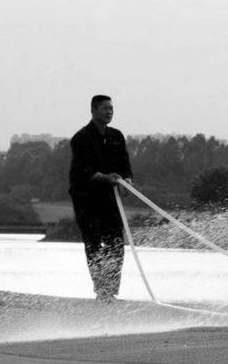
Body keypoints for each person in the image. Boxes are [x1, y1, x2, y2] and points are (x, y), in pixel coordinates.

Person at [69, 95, 133, 303]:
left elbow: (124, 164)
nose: (109, 112)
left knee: (115, 242)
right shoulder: (81, 138)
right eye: (105, 109)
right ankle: (101, 290)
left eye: (112, 109)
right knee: (94, 243)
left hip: (109, 198)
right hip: (86, 197)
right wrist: (107, 178)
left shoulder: (116, 136)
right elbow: (84, 170)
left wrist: (127, 181)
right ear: (94, 110)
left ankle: (110, 290)